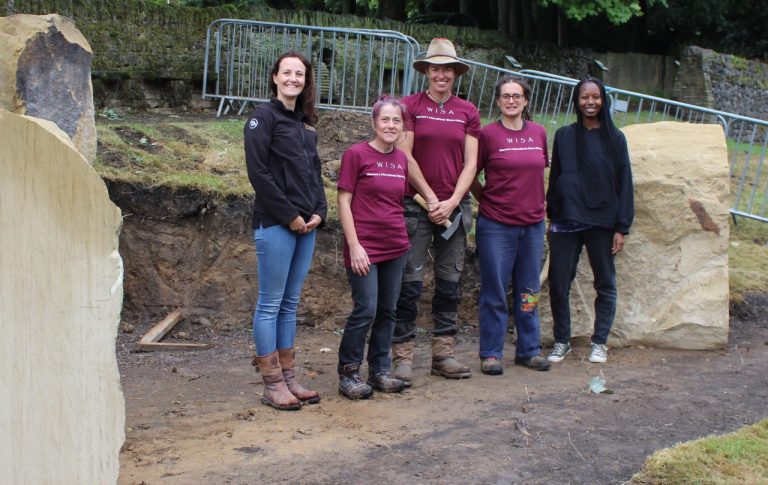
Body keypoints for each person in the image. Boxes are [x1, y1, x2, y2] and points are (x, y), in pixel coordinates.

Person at [390, 38, 481, 384]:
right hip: (416, 206)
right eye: (435, 68)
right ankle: (402, 357)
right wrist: (430, 198)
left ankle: (443, 354)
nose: (441, 74)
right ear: (426, 71)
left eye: (447, 69)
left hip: (455, 209)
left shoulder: (467, 111)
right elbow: (405, 155)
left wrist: (453, 202)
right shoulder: (410, 106)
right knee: (409, 283)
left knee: (449, 282)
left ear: (455, 73)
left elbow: (471, 164)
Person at [243, 51, 327, 410]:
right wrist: (290, 215)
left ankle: (290, 379)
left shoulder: (306, 124)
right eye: (287, 72)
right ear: (275, 77)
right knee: (271, 303)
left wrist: (320, 213)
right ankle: (272, 383)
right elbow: (258, 174)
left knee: (290, 304)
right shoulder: (262, 119)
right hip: (277, 224)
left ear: (305, 81)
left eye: (300, 74)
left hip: (306, 226)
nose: (293, 78)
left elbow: (315, 173)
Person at [546, 76, 634, 364]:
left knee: (605, 282)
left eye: (595, 97)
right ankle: (562, 340)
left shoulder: (615, 139)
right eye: (585, 97)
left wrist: (621, 227)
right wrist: (552, 215)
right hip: (566, 220)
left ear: (604, 99)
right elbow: (556, 177)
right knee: (559, 283)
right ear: (576, 100)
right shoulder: (564, 136)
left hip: (602, 221)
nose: (590, 102)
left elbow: (624, 183)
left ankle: (600, 341)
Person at [471, 76, 551, 375]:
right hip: (496, 225)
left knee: (529, 290)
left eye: (517, 96)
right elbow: (471, 176)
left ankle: (529, 350)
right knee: (494, 289)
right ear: (498, 101)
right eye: (505, 96)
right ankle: (491, 353)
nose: (511, 101)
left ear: (526, 100)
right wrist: (487, 201)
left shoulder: (539, 133)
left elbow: (540, 174)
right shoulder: (487, 135)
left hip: (531, 226)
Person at [336, 97, 410, 399]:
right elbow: (344, 201)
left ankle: (380, 370)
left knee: (387, 310)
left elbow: (396, 202)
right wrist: (354, 245)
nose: (391, 126)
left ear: (403, 126)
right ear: (374, 123)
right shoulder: (356, 155)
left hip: (396, 245)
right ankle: (349, 373)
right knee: (365, 308)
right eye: (385, 120)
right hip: (364, 247)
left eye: (397, 121)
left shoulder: (402, 159)